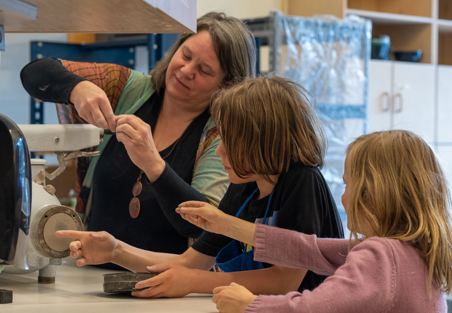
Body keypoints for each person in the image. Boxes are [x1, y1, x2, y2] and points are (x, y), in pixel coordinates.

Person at [56, 76, 344, 298]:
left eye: (229, 141)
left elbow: (284, 281)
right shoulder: (244, 188)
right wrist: (116, 252)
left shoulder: (302, 182)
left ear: (261, 140)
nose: (219, 153)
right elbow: (190, 263)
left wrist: (196, 283)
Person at [20, 13, 257, 260]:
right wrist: (77, 88)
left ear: (228, 84)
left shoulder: (221, 137)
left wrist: (154, 165)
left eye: (204, 70)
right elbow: (35, 72)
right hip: (89, 273)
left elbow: (203, 227)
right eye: (185, 55)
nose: (186, 70)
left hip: (169, 286)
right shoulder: (128, 88)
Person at [177, 130, 452, 313]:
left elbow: (315, 307)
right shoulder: (412, 249)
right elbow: (310, 249)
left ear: (373, 193)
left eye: (347, 185)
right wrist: (225, 224)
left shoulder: (381, 255)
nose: (343, 198)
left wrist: (251, 305)